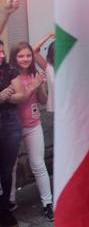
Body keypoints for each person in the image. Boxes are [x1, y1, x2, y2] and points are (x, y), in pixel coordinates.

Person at [9, 42, 53, 221]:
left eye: (28, 55)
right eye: (21, 56)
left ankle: (48, 203)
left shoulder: (35, 74)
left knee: (38, 164)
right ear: (14, 58)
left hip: (33, 125)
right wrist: (32, 87)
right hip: (13, 127)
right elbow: (16, 101)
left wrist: (40, 86)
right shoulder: (10, 76)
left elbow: (42, 101)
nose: (25, 59)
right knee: (10, 166)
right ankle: (10, 200)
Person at [0, 0, 29, 227]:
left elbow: (20, 94)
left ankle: (5, 210)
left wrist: (10, 93)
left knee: (6, 169)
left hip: (9, 124)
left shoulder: (8, 70)